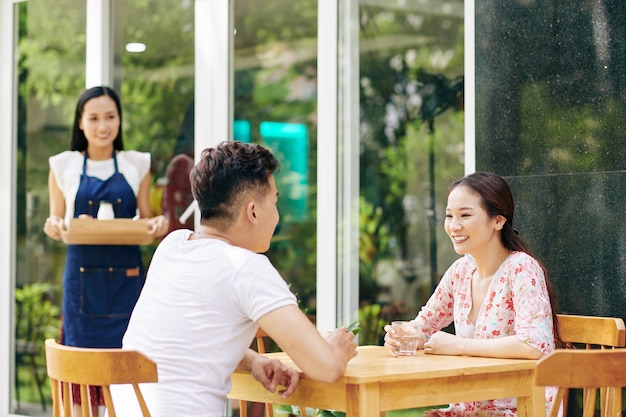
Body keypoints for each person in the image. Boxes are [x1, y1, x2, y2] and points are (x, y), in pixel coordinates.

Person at [110, 140, 358, 417]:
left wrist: (251, 360)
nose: (277, 216)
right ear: (252, 212)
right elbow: (325, 367)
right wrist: (336, 348)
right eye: (274, 203)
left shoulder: (173, 246)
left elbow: (185, 341)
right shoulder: (246, 268)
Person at [384, 172, 564, 417]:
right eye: (449, 216)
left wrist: (459, 345)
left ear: (498, 220)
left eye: (465, 215)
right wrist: (405, 336)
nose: (454, 226)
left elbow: (533, 344)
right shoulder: (461, 271)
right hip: (469, 408)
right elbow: (424, 326)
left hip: (521, 407)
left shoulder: (522, 269)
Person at [43, 86, 169, 412]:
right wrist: (54, 226)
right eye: (94, 118)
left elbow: (147, 218)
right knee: (81, 375)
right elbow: (55, 220)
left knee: (126, 372)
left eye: (110, 117)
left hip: (127, 283)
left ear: (119, 121)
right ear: (80, 123)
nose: (103, 126)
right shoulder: (62, 166)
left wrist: (156, 226)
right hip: (81, 286)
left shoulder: (136, 164)